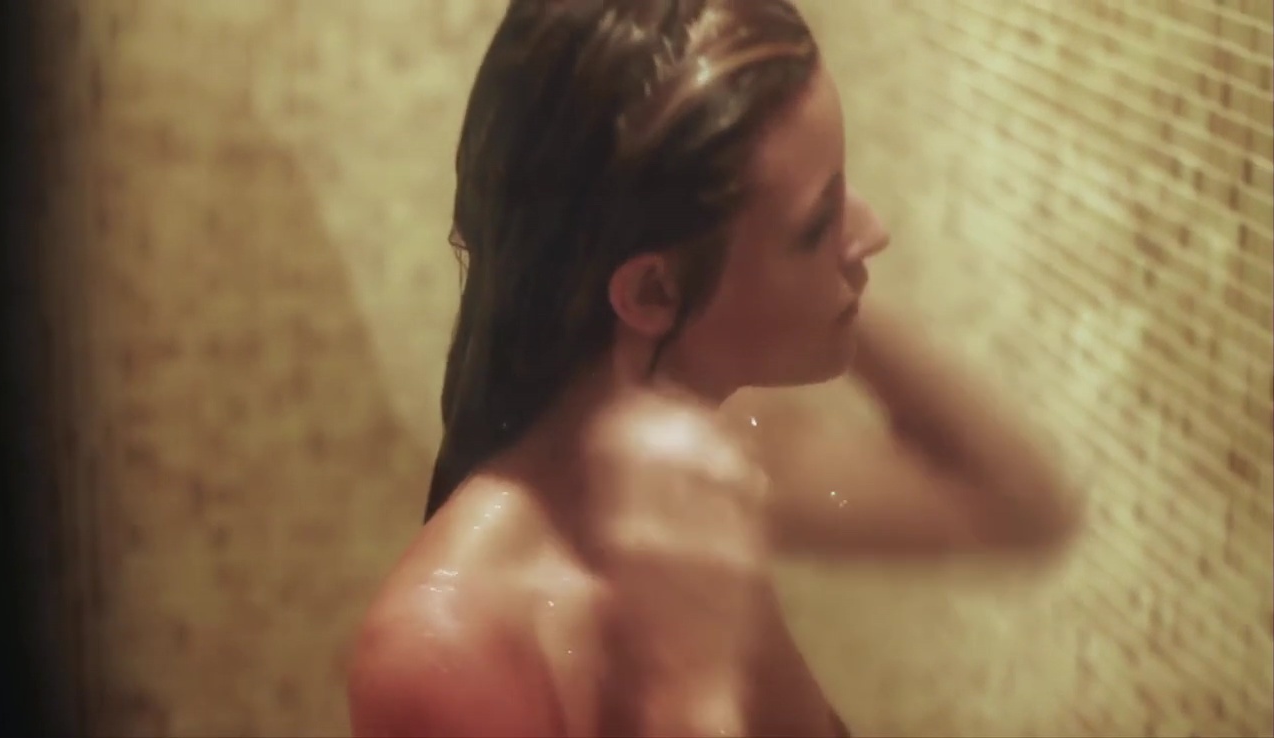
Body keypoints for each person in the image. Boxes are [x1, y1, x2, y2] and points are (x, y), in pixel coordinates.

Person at [347, 1, 1084, 735]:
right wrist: (690, 687)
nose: (874, 231)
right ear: (652, 292)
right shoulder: (444, 651)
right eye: (818, 222)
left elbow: (1016, 506)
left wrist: (828, 280)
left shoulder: (714, 463)